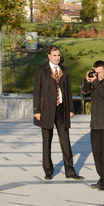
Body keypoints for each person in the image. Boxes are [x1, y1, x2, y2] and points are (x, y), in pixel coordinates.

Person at [33, 45, 84, 181]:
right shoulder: (41, 71)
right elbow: (36, 92)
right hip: (46, 110)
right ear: (49, 56)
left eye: (58, 55)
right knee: (47, 141)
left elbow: (68, 91)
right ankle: (48, 170)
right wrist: (37, 111)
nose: (57, 58)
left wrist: (71, 109)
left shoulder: (64, 71)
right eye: (54, 55)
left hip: (62, 108)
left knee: (65, 140)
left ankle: (70, 170)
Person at [81, 60, 104, 191]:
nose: (97, 75)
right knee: (97, 153)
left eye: (100, 73)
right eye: (96, 72)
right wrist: (87, 82)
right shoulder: (94, 82)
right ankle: (102, 177)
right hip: (95, 123)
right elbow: (84, 94)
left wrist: (95, 82)